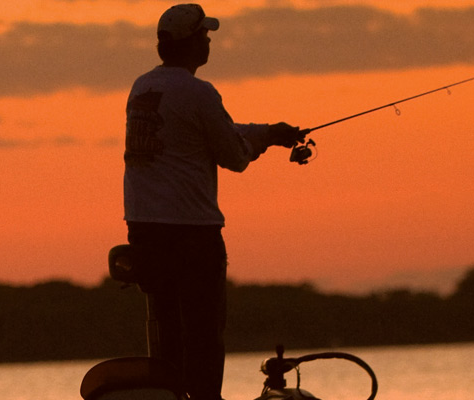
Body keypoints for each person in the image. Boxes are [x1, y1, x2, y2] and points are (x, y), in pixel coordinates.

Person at [123, 4, 306, 400]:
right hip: (191, 231)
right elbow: (234, 154)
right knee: (204, 331)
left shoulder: (143, 88)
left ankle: (169, 395)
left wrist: (270, 133)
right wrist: (263, 141)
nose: (208, 41)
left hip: (143, 229)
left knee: (167, 328)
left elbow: (205, 132)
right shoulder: (198, 91)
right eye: (205, 35)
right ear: (192, 43)